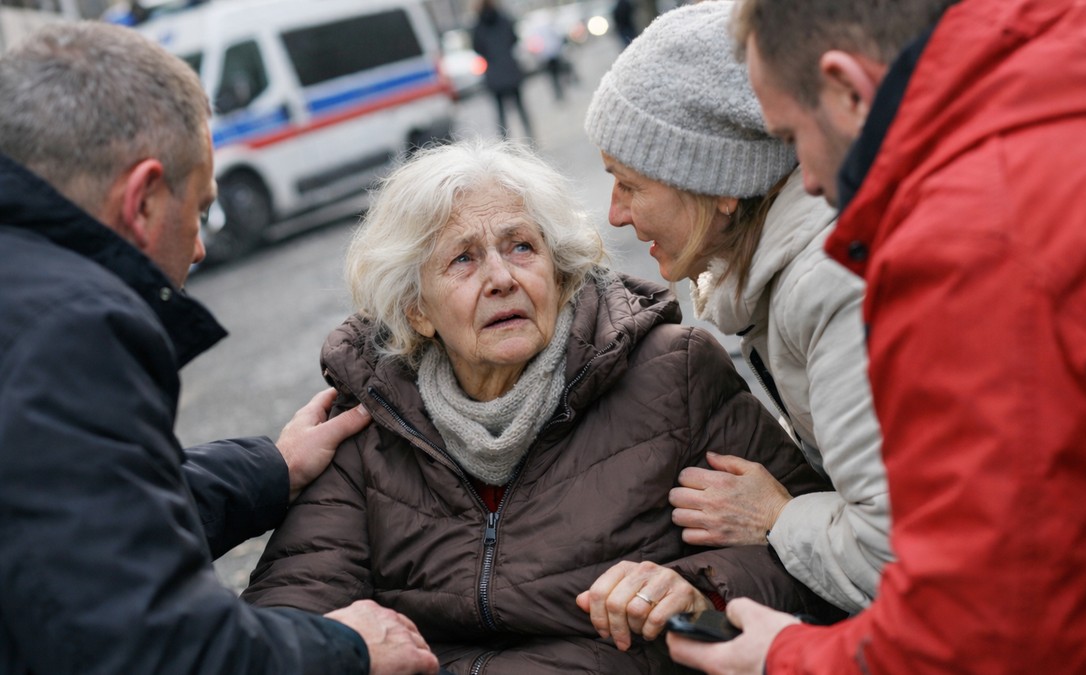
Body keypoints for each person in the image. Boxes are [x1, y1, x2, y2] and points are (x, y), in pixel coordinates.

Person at [667, 0, 1086, 672]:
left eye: (794, 136)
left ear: (848, 90)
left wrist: (781, 653)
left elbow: (984, 636)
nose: (805, 179)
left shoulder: (971, 237)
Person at [241, 137, 840, 673]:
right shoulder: (370, 416)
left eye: (521, 247)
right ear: (416, 310)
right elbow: (290, 607)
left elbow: (806, 558)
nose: (500, 278)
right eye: (463, 259)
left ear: (559, 273)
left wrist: (697, 588)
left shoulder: (672, 373)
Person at [0, 22, 439, 675]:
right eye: (202, 209)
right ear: (144, 198)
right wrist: (345, 646)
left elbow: (79, 523)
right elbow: (154, 646)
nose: (202, 247)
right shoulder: (73, 327)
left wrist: (273, 467)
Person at [584, 0, 890, 615]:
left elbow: (896, 557)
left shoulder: (830, 283)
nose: (615, 212)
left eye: (631, 183)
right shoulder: (777, 277)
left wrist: (778, 516)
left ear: (720, 184)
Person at [472, 0, 533, 139]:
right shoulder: (504, 20)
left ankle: (506, 143)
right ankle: (530, 138)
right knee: (521, 108)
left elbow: (477, 48)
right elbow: (514, 39)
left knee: (500, 114)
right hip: (510, 69)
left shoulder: (478, 26)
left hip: (494, 74)